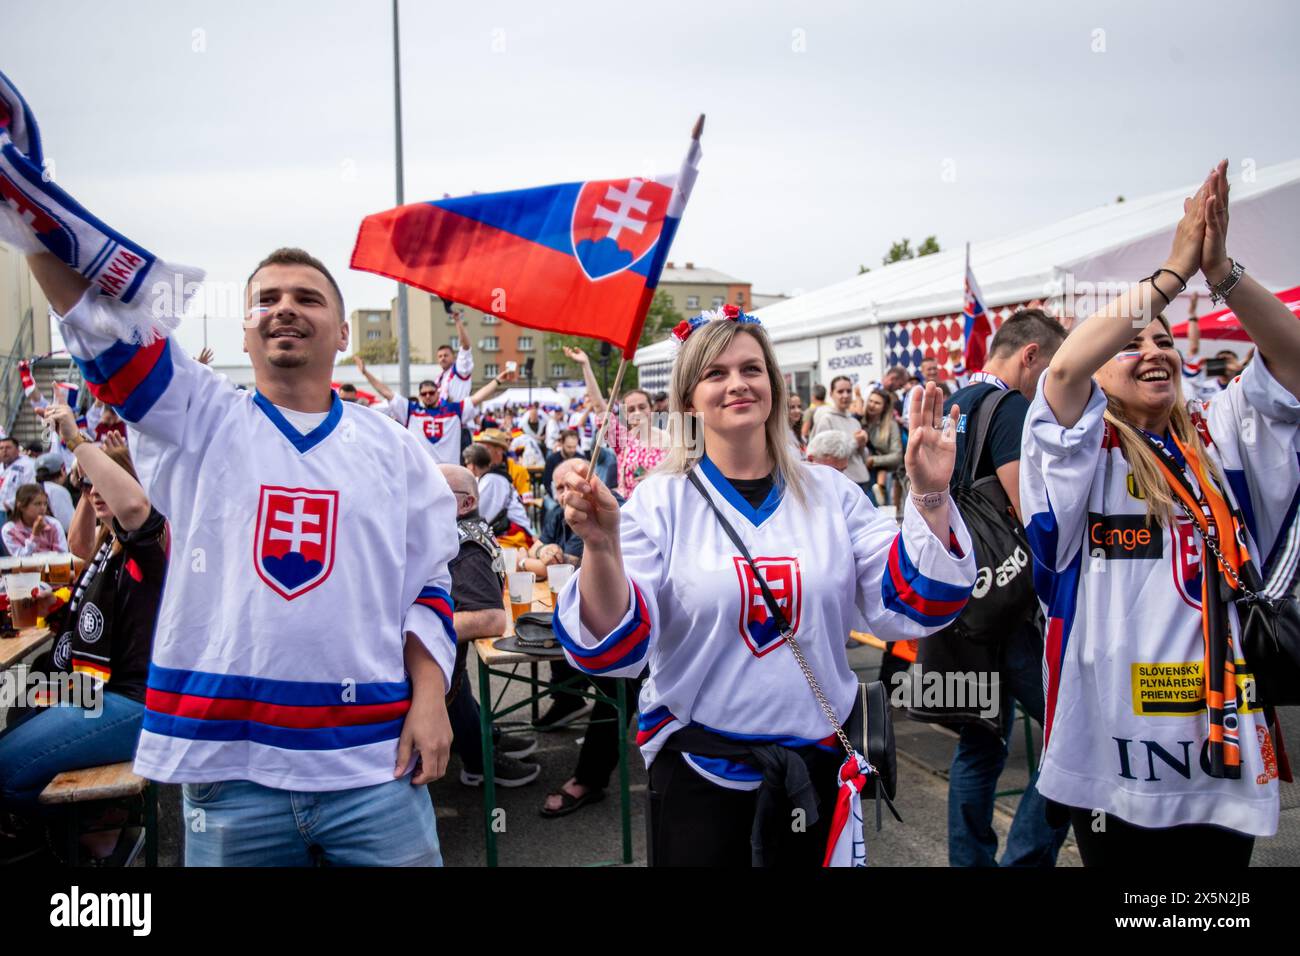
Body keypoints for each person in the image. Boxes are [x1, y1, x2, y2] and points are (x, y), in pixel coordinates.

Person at [23, 245, 460, 867]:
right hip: (230, 772)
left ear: (341, 332)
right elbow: (101, 323)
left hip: (372, 764)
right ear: (246, 331)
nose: (285, 309)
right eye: (268, 299)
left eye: (308, 298)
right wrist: (27, 218)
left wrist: (431, 695)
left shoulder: (396, 449)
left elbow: (429, 585)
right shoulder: (198, 417)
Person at [554, 311, 975, 866]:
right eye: (715, 373)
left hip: (818, 770)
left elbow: (914, 600)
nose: (737, 383)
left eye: (752, 368)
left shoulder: (833, 494)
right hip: (698, 777)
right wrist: (603, 547)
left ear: (774, 387)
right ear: (688, 401)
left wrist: (929, 495)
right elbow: (613, 648)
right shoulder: (660, 502)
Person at [1021, 161, 1300, 865]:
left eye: (1164, 340)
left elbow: (1295, 364)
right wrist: (1173, 270)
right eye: (1130, 343)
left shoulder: (1218, 431)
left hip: (1221, 740)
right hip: (1116, 751)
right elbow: (1062, 372)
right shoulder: (1081, 447)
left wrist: (1223, 273)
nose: (1152, 350)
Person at [923, 308, 1071, 868]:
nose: (1054, 381)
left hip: (959, 601)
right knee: (1068, 738)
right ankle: (1027, 860)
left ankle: (971, 864)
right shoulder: (1010, 406)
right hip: (1008, 607)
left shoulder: (953, 401)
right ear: (1030, 355)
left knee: (981, 744)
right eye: (1052, 366)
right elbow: (1028, 507)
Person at [0, 407, 166, 863]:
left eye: (103, 483)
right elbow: (77, 545)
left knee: (5, 768)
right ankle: (97, 829)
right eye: (89, 484)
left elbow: (133, 507)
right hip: (90, 688)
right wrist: (87, 488)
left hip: (131, 701)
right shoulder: (109, 546)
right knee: (14, 700)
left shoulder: (150, 544)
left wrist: (77, 441)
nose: (94, 492)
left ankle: (85, 836)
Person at [537, 456, 640, 817]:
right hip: (578, 610)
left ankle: (589, 779)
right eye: (561, 487)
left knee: (617, 682)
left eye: (574, 483)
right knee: (561, 637)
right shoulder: (557, 513)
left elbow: (592, 566)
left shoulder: (615, 510)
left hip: (629, 622)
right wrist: (542, 552)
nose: (568, 492)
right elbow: (539, 551)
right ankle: (567, 700)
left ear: (594, 481)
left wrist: (556, 556)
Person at [437, 464, 541, 788]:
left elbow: (491, 618)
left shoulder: (462, 541)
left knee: (455, 683)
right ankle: (482, 744)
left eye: (437, 494)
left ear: (466, 504)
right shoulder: (462, 530)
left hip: (419, 660)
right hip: (429, 662)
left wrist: (417, 626)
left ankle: (480, 756)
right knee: (456, 683)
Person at [355, 355, 514, 465]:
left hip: (450, 472)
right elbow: (387, 393)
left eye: (431, 392)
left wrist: (498, 380)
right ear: (420, 395)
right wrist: (365, 373)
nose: (428, 396)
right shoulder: (411, 410)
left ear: (438, 392)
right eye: (424, 394)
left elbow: (478, 396)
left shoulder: (454, 410)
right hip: (422, 471)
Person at [565, 346, 671, 499]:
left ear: (652, 409)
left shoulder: (668, 439)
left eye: (642, 407)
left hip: (662, 510)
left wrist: (654, 477)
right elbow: (599, 407)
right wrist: (585, 365)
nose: (637, 413)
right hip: (631, 512)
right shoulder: (623, 441)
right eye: (631, 409)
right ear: (625, 415)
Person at [809, 375, 873, 495]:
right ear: (831, 394)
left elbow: (863, 458)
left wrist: (862, 445)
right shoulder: (826, 420)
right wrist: (855, 441)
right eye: (840, 391)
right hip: (843, 484)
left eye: (849, 391)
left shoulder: (854, 421)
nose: (845, 395)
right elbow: (823, 457)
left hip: (863, 481)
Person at [464, 442, 533, 549]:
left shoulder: (491, 480)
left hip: (516, 534)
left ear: (472, 465)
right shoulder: (487, 478)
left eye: (466, 464)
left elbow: (478, 513)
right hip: (507, 531)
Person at [861, 388, 903, 508]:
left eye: (877, 403)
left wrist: (873, 460)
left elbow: (897, 456)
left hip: (882, 477)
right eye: (871, 401)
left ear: (884, 407)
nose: (872, 405)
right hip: (860, 474)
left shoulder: (891, 425)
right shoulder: (858, 420)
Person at [2, 483, 67, 555]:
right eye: (37, 504)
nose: (43, 508)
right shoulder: (10, 530)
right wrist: (35, 535)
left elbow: (62, 554)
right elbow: (20, 558)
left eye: (45, 504)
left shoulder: (54, 524)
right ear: (21, 506)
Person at [35, 452, 76, 533]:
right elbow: (69, 526)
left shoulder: (31, 487)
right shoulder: (58, 491)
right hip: (52, 540)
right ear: (62, 469)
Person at [0, 436, 36, 515]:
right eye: (1, 448)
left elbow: (31, 490)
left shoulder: (28, 465)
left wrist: (10, 504)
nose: (4, 451)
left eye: (8, 447)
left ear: (17, 450)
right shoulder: (1, 467)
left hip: (16, 511)